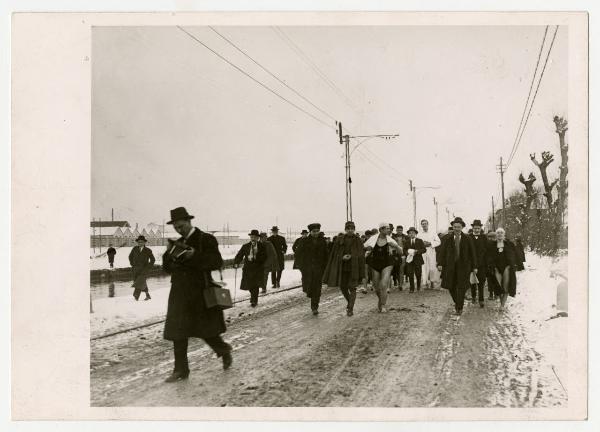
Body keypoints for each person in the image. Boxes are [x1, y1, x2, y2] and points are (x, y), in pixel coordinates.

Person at [161, 207, 232, 382]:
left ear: (189, 221)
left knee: (206, 330)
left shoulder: (206, 239)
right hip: (179, 293)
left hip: (200, 292)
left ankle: (223, 350)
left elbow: (217, 262)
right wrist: (168, 255)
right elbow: (166, 269)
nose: (179, 229)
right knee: (178, 332)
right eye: (176, 227)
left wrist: (194, 256)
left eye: (181, 225)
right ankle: (180, 370)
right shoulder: (176, 243)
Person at [322, 221, 365, 316]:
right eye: (348, 228)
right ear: (345, 229)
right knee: (343, 287)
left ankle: (350, 309)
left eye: (352, 229)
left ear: (354, 229)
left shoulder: (358, 240)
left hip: (354, 267)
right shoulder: (339, 239)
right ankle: (350, 302)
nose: (350, 230)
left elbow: (361, 254)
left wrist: (352, 256)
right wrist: (342, 257)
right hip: (342, 267)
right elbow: (334, 253)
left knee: (352, 287)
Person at [437, 217, 477, 315]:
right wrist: (440, 263)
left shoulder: (468, 238)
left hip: (464, 266)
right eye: (454, 227)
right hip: (450, 266)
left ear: (462, 227)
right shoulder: (447, 238)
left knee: (462, 287)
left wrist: (474, 266)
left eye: (458, 227)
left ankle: (459, 307)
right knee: (451, 286)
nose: (456, 229)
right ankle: (458, 302)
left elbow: (473, 253)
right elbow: (442, 252)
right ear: (452, 227)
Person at [364, 222, 403, 312]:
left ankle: (383, 305)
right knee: (376, 287)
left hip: (387, 263)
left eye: (389, 228)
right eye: (387, 228)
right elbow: (364, 247)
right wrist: (368, 249)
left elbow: (401, 252)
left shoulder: (390, 240)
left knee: (383, 284)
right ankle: (381, 300)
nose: (389, 230)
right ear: (381, 229)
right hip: (375, 264)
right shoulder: (373, 239)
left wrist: (396, 247)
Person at [296, 223, 329, 315]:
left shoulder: (322, 241)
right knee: (308, 287)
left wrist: (325, 266)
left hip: (319, 268)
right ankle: (310, 294)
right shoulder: (304, 241)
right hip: (307, 268)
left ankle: (314, 307)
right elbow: (298, 254)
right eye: (314, 231)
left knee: (317, 288)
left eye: (317, 231)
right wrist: (301, 266)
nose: (316, 233)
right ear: (310, 232)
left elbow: (326, 254)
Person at [486, 227, 518, 308]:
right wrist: (493, 266)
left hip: (506, 268)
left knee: (506, 287)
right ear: (496, 235)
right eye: (498, 233)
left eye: (501, 233)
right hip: (496, 268)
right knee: (499, 287)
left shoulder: (509, 244)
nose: (499, 234)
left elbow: (514, 255)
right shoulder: (492, 245)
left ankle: (502, 306)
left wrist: (511, 265)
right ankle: (502, 304)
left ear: (504, 234)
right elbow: (489, 256)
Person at [234, 230, 267, 307]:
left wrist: (256, 257)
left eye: (255, 237)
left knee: (255, 285)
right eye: (252, 237)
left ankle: (254, 300)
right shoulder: (245, 246)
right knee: (249, 285)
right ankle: (253, 297)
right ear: (250, 237)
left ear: (258, 238)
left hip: (258, 269)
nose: (253, 238)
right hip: (247, 269)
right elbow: (240, 255)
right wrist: (236, 262)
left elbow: (265, 257)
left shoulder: (261, 246)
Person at [128, 235, 155, 301]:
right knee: (141, 282)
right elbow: (130, 257)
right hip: (135, 269)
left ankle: (136, 297)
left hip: (144, 270)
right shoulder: (134, 249)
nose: (140, 243)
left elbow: (153, 260)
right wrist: (132, 264)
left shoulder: (148, 250)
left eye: (142, 242)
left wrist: (147, 267)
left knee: (139, 282)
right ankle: (147, 295)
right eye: (139, 242)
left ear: (144, 242)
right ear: (137, 242)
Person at [469, 219, 488, 308]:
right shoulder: (469, 237)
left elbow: (486, 250)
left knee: (481, 281)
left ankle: (481, 299)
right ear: (472, 228)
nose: (477, 230)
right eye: (475, 228)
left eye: (478, 228)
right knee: (472, 281)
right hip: (471, 263)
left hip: (482, 264)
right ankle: (473, 296)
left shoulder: (484, 237)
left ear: (481, 228)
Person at [418, 219, 441, 289]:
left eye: (425, 223)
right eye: (423, 224)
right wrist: (423, 244)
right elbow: (417, 243)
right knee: (424, 267)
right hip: (423, 252)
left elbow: (439, 242)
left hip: (431, 251)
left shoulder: (433, 233)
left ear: (428, 224)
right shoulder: (419, 234)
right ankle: (426, 283)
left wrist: (430, 243)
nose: (424, 225)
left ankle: (432, 282)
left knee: (432, 267)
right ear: (421, 225)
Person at [403, 227, 427, 293]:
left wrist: (417, 251)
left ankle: (418, 286)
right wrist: (407, 252)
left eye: (413, 233)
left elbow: (424, 249)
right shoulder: (406, 242)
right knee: (410, 273)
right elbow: (404, 250)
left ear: (415, 234)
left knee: (418, 273)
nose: (411, 234)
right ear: (408, 234)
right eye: (410, 233)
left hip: (418, 259)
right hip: (409, 260)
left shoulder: (419, 241)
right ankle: (411, 288)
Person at [486, 230, 497, 300]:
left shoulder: (497, 244)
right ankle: (493, 294)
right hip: (491, 265)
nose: (491, 239)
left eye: (492, 237)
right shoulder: (497, 244)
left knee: (492, 280)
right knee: (492, 280)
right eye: (489, 237)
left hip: (492, 265)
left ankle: (493, 294)